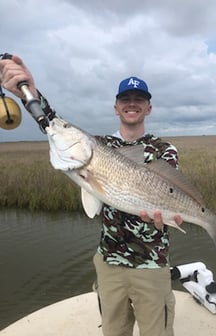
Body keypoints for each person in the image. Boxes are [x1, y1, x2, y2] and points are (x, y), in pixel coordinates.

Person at [0, 56, 183, 336]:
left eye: (139, 98)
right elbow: (53, 125)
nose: (131, 103)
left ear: (149, 107)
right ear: (116, 107)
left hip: (152, 264)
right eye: (125, 99)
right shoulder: (99, 145)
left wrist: (168, 216)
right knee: (113, 331)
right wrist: (30, 93)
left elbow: (169, 193)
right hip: (109, 262)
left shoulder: (163, 149)